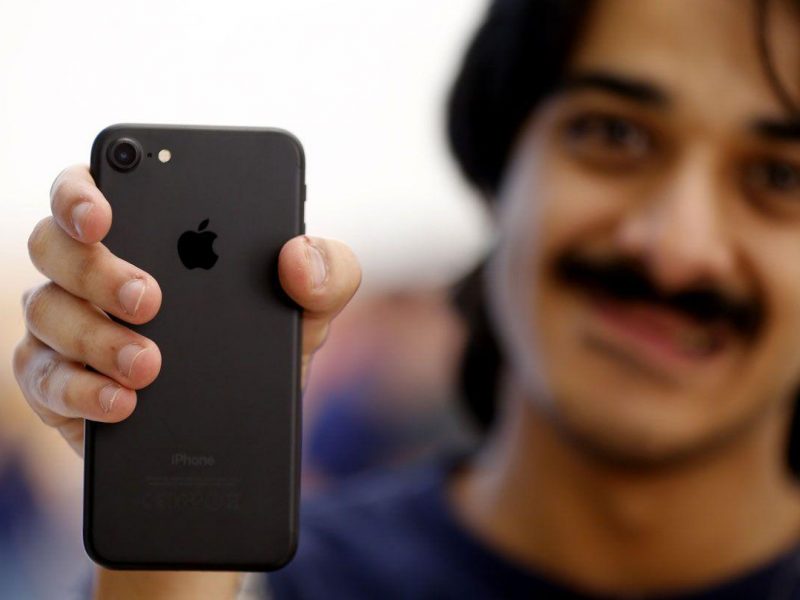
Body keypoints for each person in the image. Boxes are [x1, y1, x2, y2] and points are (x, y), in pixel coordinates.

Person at [13, 0, 800, 597]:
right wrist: (169, 556)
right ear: (498, 169)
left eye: (780, 177)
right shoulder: (273, 584)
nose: (676, 248)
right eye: (616, 135)